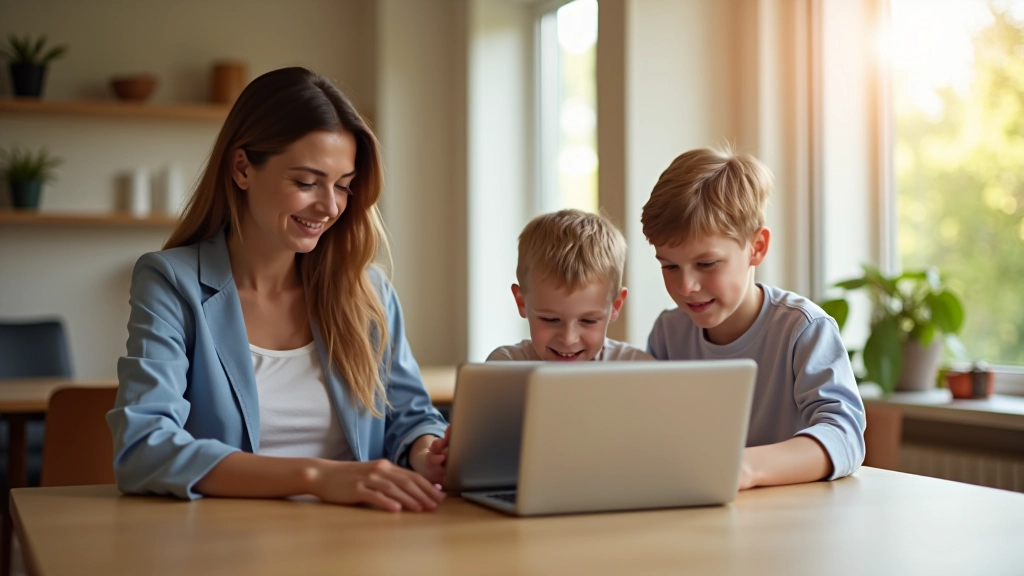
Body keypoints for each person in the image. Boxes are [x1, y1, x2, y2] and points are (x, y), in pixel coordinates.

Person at [107, 67, 448, 513]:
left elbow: (411, 416)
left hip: (360, 537)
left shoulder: (367, 291)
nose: (330, 207)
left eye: (343, 186)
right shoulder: (171, 282)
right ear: (242, 168)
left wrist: (427, 450)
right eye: (306, 183)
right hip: (227, 539)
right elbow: (143, 448)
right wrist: (317, 477)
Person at [641, 146, 866, 489]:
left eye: (706, 264)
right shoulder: (668, 334)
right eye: (670, 266)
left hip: (791, 515)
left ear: (756, 247)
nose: (686, 286)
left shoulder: (804, 330)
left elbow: (844, 436)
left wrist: (743, 468)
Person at [487, 209, 652, 362]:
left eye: (588, 320)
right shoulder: (506, 364)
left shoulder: (636, 366)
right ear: (521, 302)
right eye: (550, 319)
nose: (568, 339)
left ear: (615, 306)